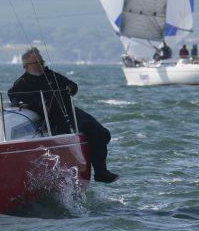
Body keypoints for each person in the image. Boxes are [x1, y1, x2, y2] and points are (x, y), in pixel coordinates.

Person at [8, 47, 118, 184]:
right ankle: (100, 172)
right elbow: (13, 96)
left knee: (103, 133)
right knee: (95, 133)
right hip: (53, 116)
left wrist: (71, 88)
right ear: (26, 66)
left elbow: (72, 85)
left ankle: (100, 170)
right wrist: (23, 103)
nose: (42, 65)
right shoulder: (22, 82)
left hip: (70, 110)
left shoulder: (51, 74)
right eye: (37, 63)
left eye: (42, 62)